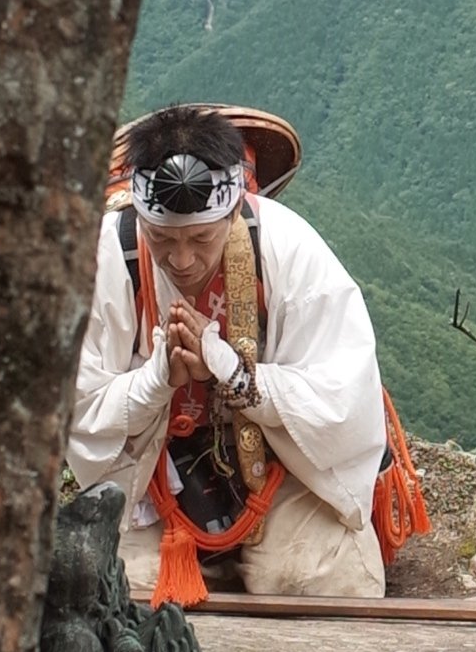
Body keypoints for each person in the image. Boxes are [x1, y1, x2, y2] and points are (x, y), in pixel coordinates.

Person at [66, 102, 394, 601]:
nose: (182, 260)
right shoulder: (107, 260)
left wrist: (232, 373)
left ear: (233, 208)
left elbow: (343, 401)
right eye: (161, 238)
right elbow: (78, 406)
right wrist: (158, 380)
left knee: (320, 579)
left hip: (280, 467)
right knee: (120, 588)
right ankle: (208, 564)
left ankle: (238, 563)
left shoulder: (289, 248)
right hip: (153, 473)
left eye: (201, 238)